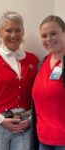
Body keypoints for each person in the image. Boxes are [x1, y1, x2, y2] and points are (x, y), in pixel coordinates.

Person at [0, 10, 39, 150]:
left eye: (18, 30)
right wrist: (1, 120)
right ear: (0, 32)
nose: (13, 35)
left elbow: (37, 94)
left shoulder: (33, 60)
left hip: (24, 126)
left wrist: (30, 120)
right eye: (8, 30)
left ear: (23, 31)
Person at [31, 15, 65, 150]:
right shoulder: (42, 63)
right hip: (43, 140)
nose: (48, 39)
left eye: (53, 33)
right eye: (44, 36)